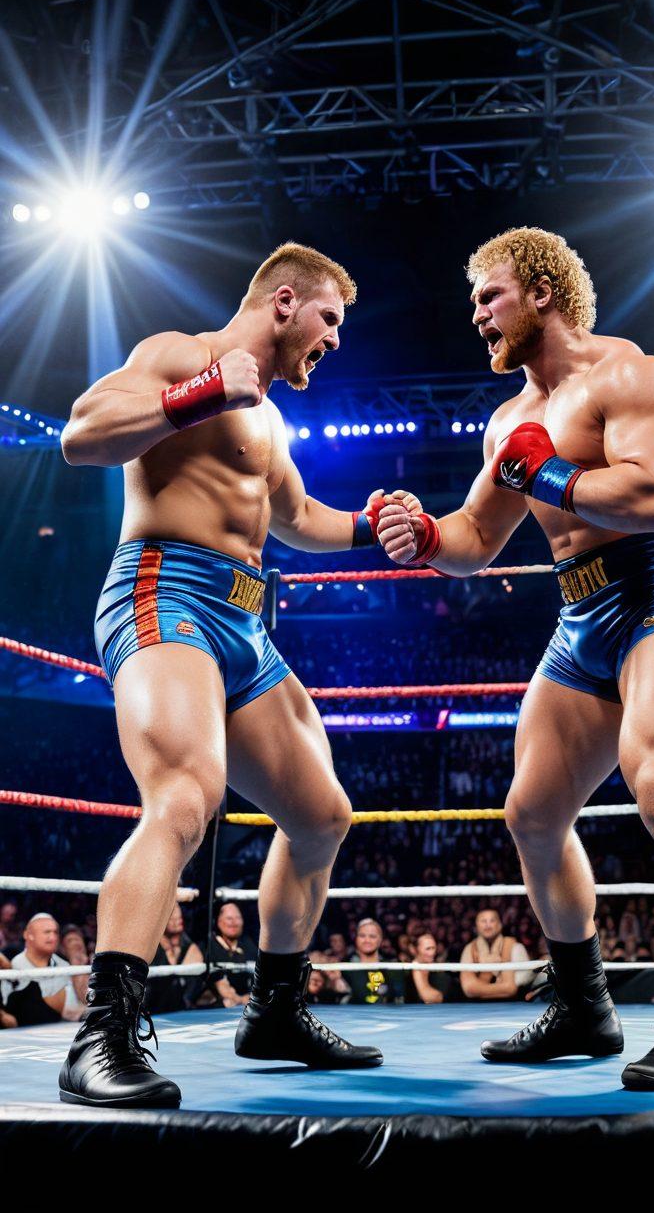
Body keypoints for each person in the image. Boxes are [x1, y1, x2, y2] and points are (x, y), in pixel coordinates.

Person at [378, 226, 654, 1089]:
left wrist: (550, 479)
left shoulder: (631, 374)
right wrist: (425, 535)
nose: (477, 316)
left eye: (489, 296)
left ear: (542, 291)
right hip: (580, 611)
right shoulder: (507, 420)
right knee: (532, 815)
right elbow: (478, 534)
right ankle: (585, 1005)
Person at [58, 242, 418, 1108]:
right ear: (286, 302)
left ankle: (276, 1009)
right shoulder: (182, 353)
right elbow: (81, 435)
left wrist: (376, 526)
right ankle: (100, 1036)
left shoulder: (270, 418)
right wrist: (196, 394)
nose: (335, 339)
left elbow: (296, 517)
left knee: (323, 816)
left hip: (243, 619)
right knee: (185, 795)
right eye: (331, 319)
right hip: (163, 589)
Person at [7, 914, 83, 1026]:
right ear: (29, 935)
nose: (53, 937)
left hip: (65, 1031)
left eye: (55, 932)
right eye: (47, 932)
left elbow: (77, 1005)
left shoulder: (64, 964)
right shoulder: (11, 962)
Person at [459, 909, 531, 1002]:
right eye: (483, 921)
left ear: (500, 925)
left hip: (514, 1004)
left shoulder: (514, 946)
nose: (487, 925)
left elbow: (512, 989)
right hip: (478, 1007)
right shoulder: (470, 948)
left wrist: (479, 990)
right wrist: (493, 974)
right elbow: (469, 989)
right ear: (476, 926)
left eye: (492, 920)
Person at [145, 905, 204, 1015]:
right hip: (152, 1010)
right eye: (172, 919)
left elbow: (193, 987)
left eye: (179, 918)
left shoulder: (190, 948)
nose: (176, 922)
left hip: (182, 1011)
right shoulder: (150, 947)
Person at [206, 901, 257, 1006]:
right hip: (218, 1006)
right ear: (218, 922)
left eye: (238, 918)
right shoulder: (209, 946)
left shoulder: (248, 945)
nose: (234, 922)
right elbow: (221, 986)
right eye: (229, 918)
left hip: (246, 1004)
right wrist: (241, 1000)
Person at [343, 919, 404, 1004]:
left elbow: (399, 1000)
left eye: (372, 936)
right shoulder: (344, 968)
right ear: (356, 938)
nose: (367, 940)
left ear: (380, 940)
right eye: (362, 935)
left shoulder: (392, 966)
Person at [404, 933, 454, 1004]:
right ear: (414, 950)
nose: (432, 953)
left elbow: (436, 998)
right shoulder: (405, 971)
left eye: (433, 948)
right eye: (428, 949)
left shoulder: (440, 974)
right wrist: (416, 969)